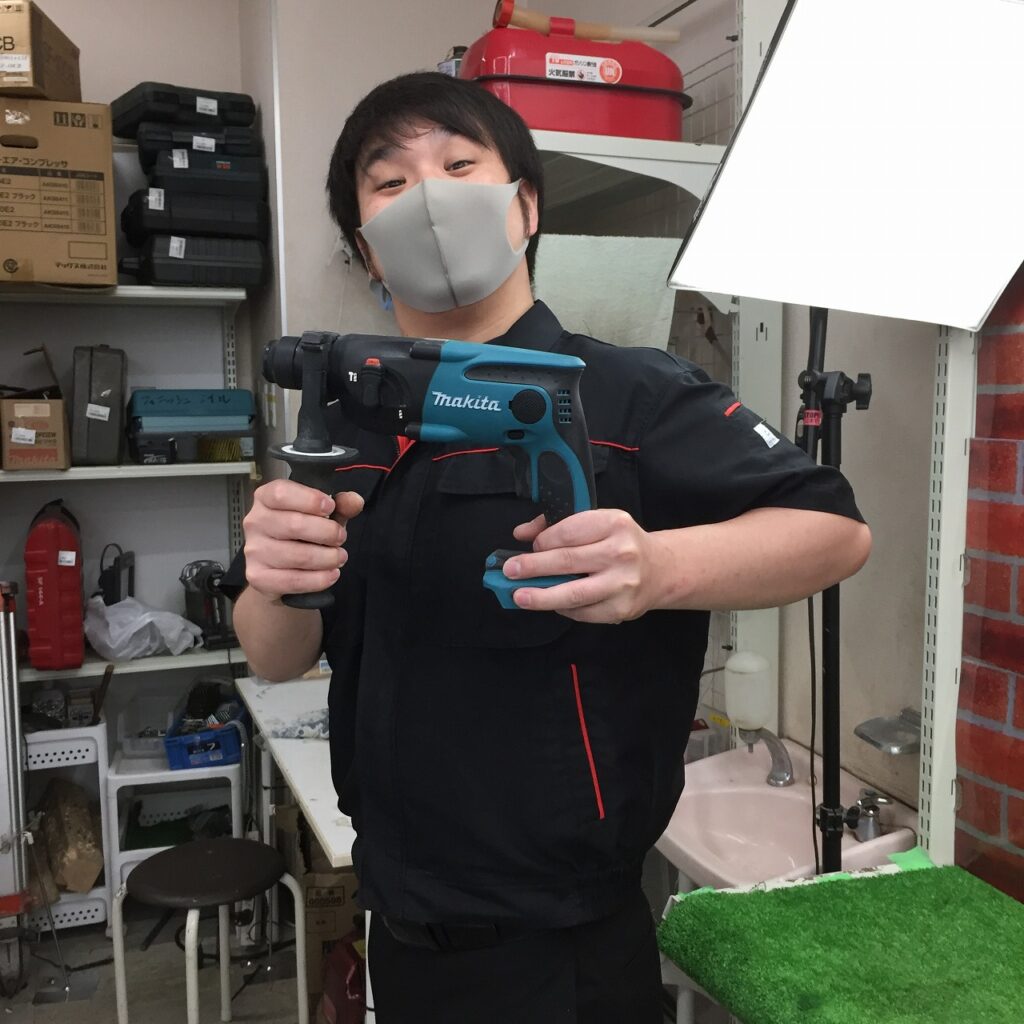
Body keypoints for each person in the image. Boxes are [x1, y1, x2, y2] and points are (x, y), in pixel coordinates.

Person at [227, 72, 871, 1024]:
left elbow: (835, 530)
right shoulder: (354, 425)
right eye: (391, 182)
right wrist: (272, 580)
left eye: (459, 166)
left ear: (525, 208)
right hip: (399, 924)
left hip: (562, 955)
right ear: (366, 247)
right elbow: (280, 654)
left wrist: (660, 568)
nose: (429, 199)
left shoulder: (629, 397)